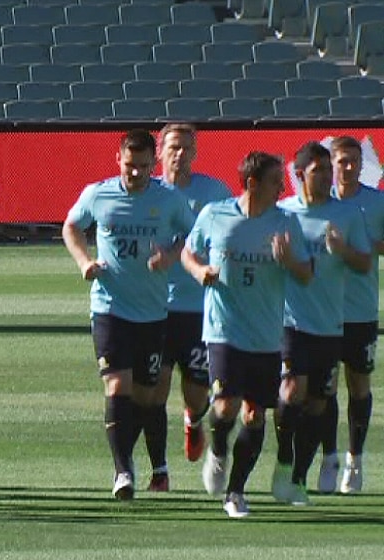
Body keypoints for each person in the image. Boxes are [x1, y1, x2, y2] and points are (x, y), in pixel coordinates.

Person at [62, 129, 194, 501]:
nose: (134, 173)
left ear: (154, 164)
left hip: (152, 312)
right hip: (109, 308)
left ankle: (159, 467)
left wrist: (170, 255)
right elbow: (71, 226)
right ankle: (123, 471)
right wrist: (84, 261)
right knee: (117, 387)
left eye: (142, 166)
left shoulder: (168, 199)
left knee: (147, 397)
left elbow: (195, 233)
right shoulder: (98, 194)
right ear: (116, 160)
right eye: (129, 165)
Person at [182, 151, 312, 518]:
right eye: (275, 181)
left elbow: (306, 273)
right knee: (224, 406)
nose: (282, 188)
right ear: (252, 183)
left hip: (267, 335)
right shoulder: (215, 215)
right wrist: (199, 271)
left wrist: (289, 262)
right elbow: (188, 254)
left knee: (255, 416)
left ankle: (236, 492)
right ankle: (218, 448)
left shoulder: (285, 222)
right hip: (223, 330)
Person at [271, 141, 371, 506]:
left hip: (330, 324)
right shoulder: (282, 214)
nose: (328, 177)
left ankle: (297, 477)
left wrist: (343, 251)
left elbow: (363, 264)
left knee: (317, 403)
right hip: (290, 322)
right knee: (291, 392)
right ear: (299, 176)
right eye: (320, 171)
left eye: (329, 170)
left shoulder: (346, 215)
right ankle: (284, 460)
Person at [145, 123, 232, 491]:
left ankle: (194, 421)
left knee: (197, 393)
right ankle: (159, 471)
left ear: (195, 153)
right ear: (159, 153)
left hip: (199, 308)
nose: (179, 155)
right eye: (173, 147)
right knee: (155, 387)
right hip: (154, 307)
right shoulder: (144, 193)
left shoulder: (213, 193)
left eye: (186, 148)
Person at [317, 135, 384, 494]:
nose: (348, 167)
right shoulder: (318, 205)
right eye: (342, 161)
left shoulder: (375, 203)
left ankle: (355, 461)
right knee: (324, 388)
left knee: (358, 384)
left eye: (354, 161)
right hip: (323, 312)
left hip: (359, 311)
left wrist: (368, 246)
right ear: (330, 164)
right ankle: (329, 459)